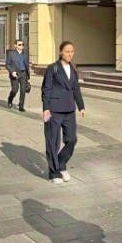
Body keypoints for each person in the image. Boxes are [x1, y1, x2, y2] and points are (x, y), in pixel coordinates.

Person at [42, 41, 85, 183]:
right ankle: (54, 172)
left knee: (72, 139)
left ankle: (61, 163)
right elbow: (47, 88)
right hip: (54, 109)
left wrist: (81, 106)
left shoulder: (73, 69)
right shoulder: (53, 68)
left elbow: (76, 88)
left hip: (69, 109)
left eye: (72, 51)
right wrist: (46, 108)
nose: (70, 54)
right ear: (61, 52)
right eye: (67, 51)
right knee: (53, 141)